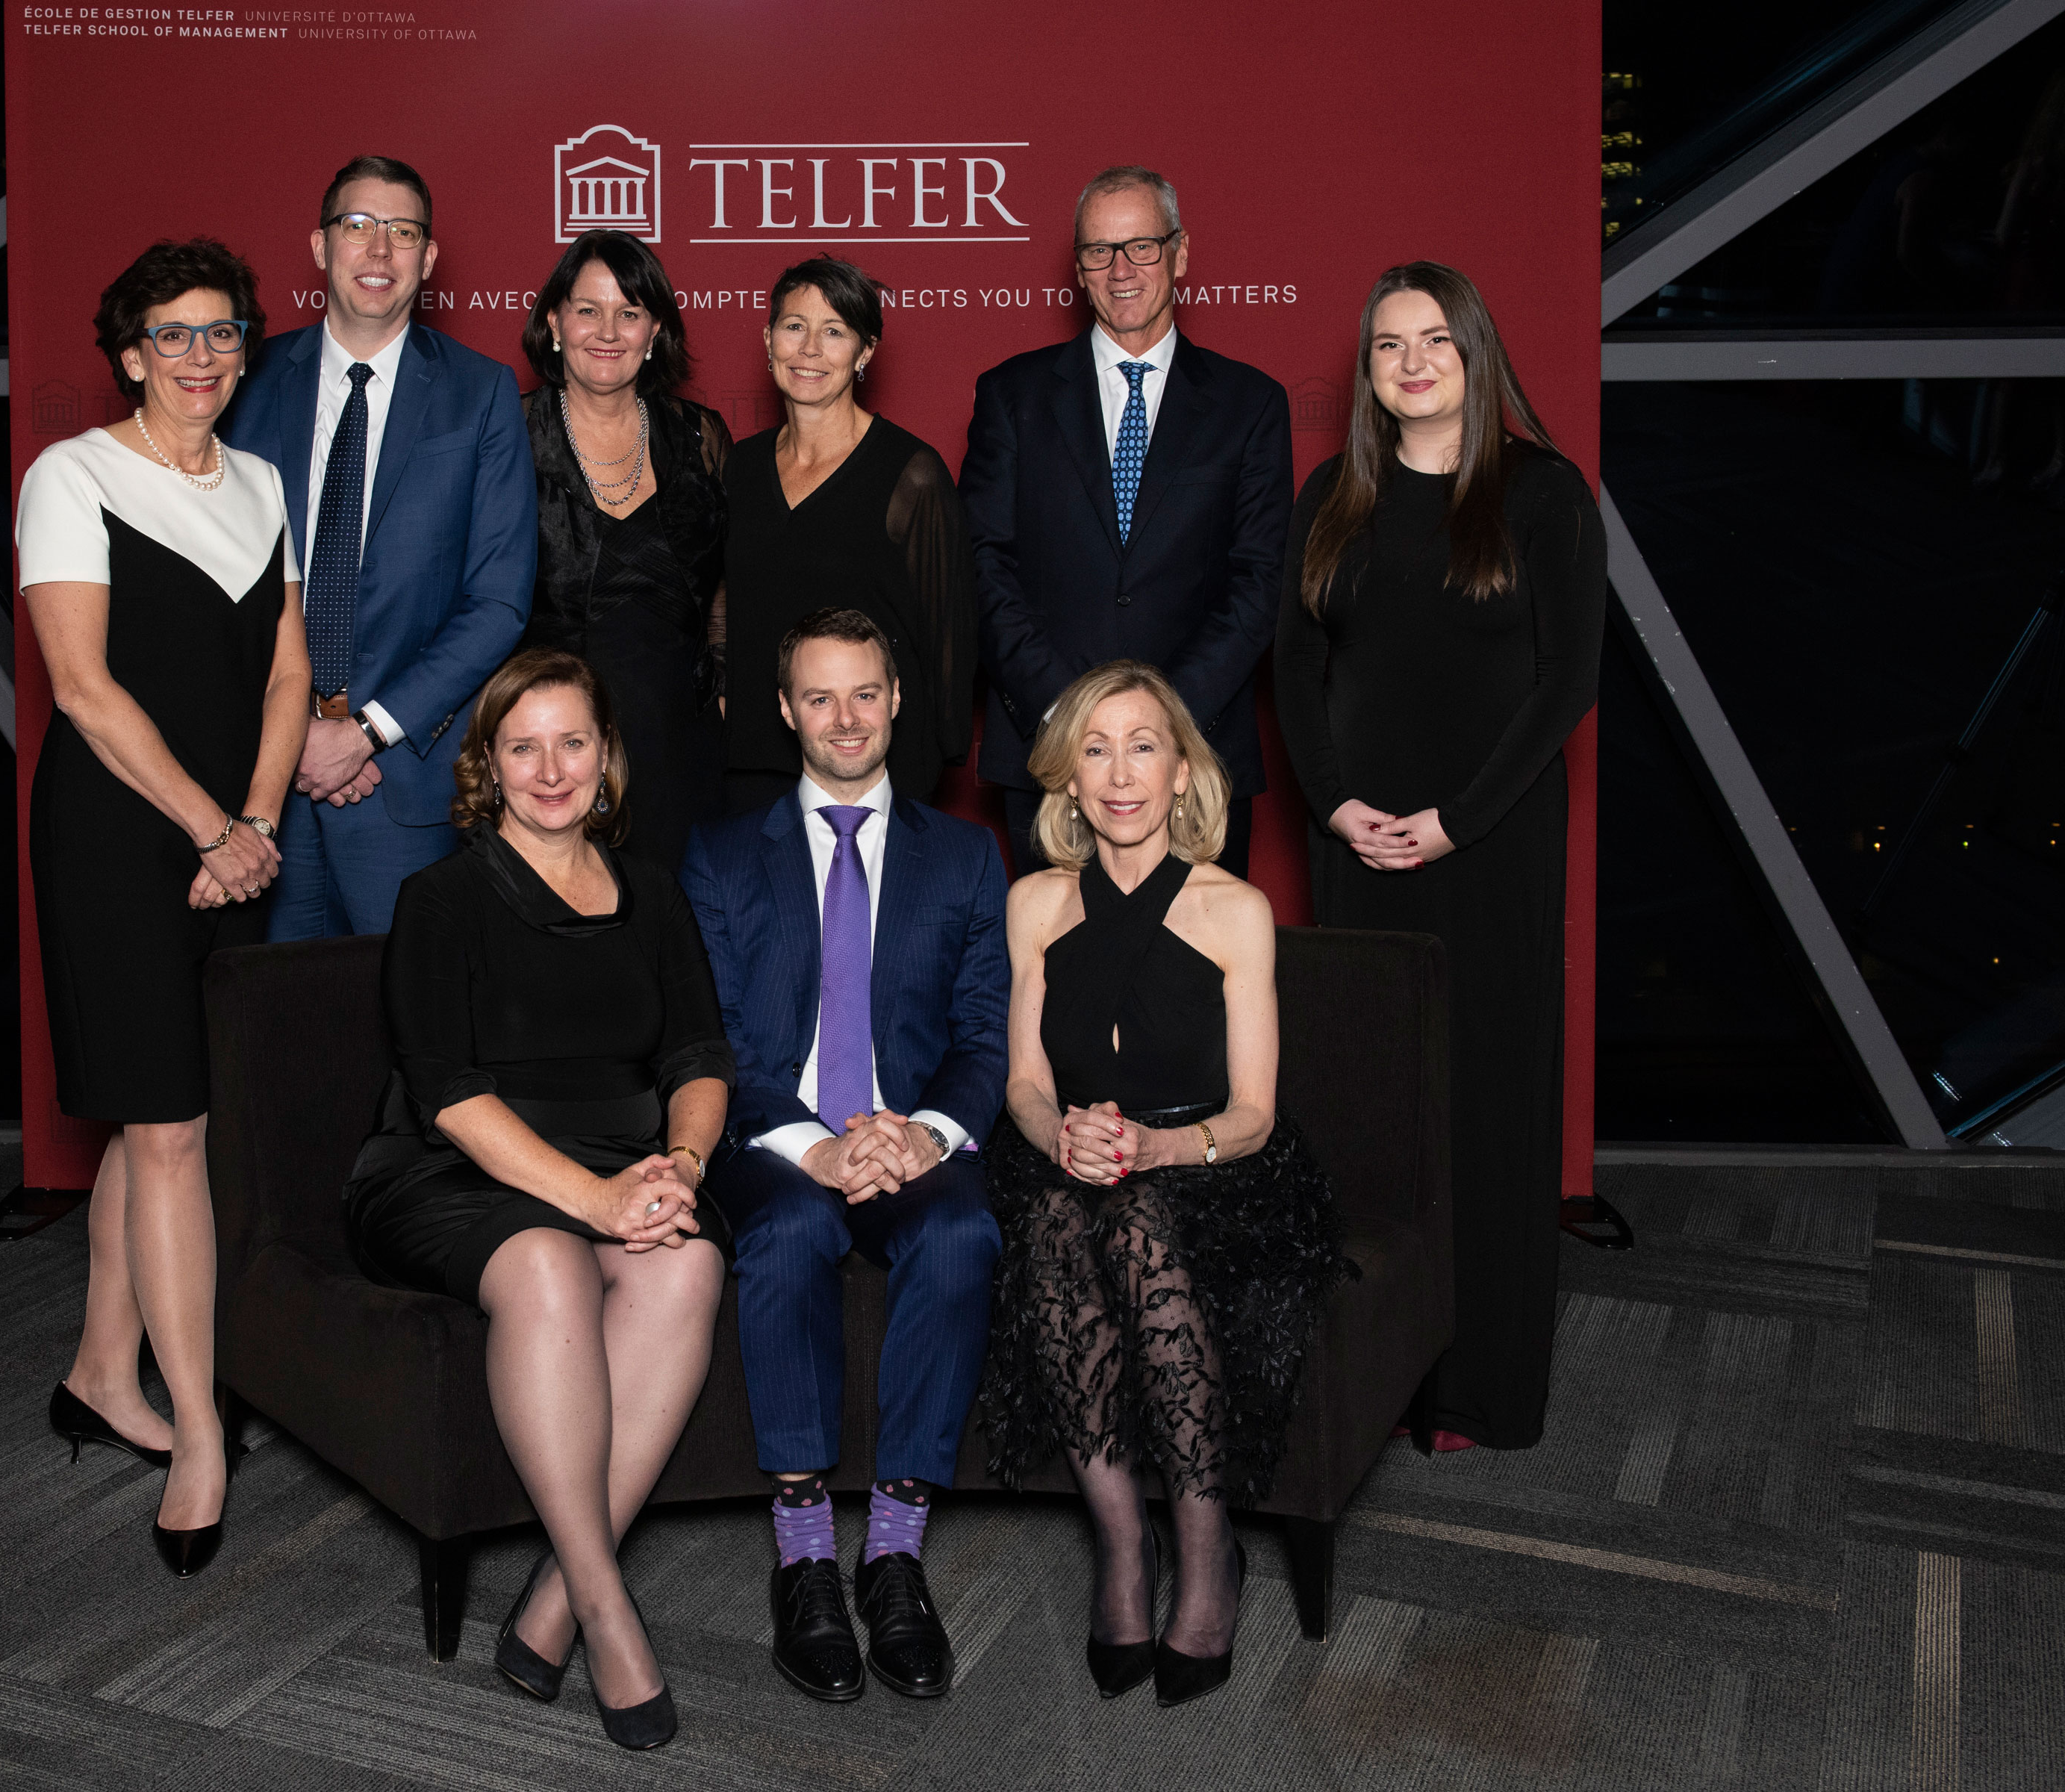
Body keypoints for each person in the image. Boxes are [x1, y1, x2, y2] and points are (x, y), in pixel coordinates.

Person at [343, 648, 732, 1752]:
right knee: (553, 1266)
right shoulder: (444, 899)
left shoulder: (652, 893)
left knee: (692, 1261)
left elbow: (701, 1058)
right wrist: (599, 1203)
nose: (551, 769)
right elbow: (452, 1099)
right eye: (524, 746)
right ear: (489, 764)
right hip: (452, 1170)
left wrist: (680, 1171)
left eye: (573, 743)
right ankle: (606, 1612)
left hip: (624, 1164)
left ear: (607, 758)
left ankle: (555, 1596)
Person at [1271, 262, 1604, 1453]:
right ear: (1367, 372)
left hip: (1491, 843)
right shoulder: (1332, 495)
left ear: (1475, 355)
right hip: (1361, 844)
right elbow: (1294, 673)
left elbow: (1569, 679)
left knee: (1491, 1097)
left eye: (1434, 344)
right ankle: (1393, 1384)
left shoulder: (1544, 494)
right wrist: (1335, 803)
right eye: (1387, 347)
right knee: (1379, 1101)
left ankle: (1485, 1385)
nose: (1411, 364)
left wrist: (1458, 820)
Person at [17, 237, 311, 1578]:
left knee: (159, 1126)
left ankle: (97, 1369)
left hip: (230, 841)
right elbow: (81, 688)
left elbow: (285, 679)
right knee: (173, 1129)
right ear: (129, 352)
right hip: (120, 844)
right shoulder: (70, 476)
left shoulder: (262, 483)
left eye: (223, 332)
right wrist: (210, 828)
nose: (203, 356)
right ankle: (198, 1431)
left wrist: (254, 824)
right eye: (174, 335)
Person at [986, 662, 1343, 1708]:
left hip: (1210, 1167)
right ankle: (1124, 1549)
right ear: (1068, 780)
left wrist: (1154, 1149)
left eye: (1142, 745)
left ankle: (1205, 1543)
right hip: (1071, 1155)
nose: (1120, 772)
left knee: (1134, 1220)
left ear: (1181, 769)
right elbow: (1021, 1080)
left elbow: (1254, 1115)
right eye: (1095, 750)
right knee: (1059, 1221)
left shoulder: (1236, 909)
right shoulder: (1035, 904)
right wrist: (1061, 1136)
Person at [679, 609, 1009, 1705]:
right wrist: (813, 1150)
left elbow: (982, 1035)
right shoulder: (724, 856)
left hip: (909, 1139)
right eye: (819, 697)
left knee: (965, 1228)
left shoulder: (963, 856)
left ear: (898, 698)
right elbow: (716, 1038)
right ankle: (808, 1553)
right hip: (779, 1141)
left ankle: (897, 1552)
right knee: (787, 1230)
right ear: (784, 712)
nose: (846, 718)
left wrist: (923, 1135)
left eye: (865, 693)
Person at [219, 154, 538, 938]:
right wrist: (294, 735)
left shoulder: (481, 390)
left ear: (428, 260)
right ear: (321, 247)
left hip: (406, 784)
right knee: (273, 1034)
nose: (379, 250)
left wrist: (364, 733)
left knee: (414, 1038)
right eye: (357, 226)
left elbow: (498, 601)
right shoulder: (243, 381)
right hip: (261, 782)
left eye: (403, 232)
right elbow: (215, 577)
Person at [961, 165, 1292, 875]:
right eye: (1099, 251)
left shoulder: (1251, 403)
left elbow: (1259, 581)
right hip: (1051, 759)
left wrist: (1160, 730)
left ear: (1180, 253)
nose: (1121, 270)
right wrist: (1074, 724)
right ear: (1077, 268)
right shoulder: (1010, 395)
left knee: (1198, 984)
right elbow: (984, 565)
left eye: (1142, 246)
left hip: (1198, 759)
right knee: (1055, 980)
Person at [720, 258, 976, 813]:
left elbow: (947, 640)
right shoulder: (737, 469)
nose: (810, 349)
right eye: (794, 326)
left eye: (834, 332)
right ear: (768, 340)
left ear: (864, 353)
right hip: (752, 769)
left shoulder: (912, 473)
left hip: (872, 769)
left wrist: (926, 774)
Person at [520, 229, 731, 869]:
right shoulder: (507, 434)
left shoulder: (700, 436)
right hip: (552, 758)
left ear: (655, 330)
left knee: (681, 944)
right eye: (588, 310)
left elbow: (724, 581)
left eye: (630, 312)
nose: (608, 330)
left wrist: (723, 682)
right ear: (555, 322)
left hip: (680, 746)